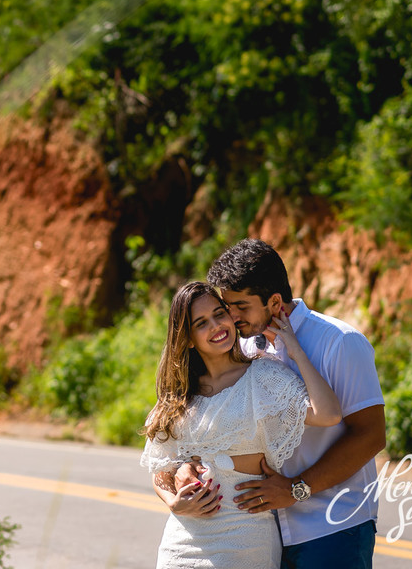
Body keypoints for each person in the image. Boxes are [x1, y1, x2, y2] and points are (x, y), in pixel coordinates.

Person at [186, 238, 387, 568]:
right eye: (227, 306)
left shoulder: (340, 342)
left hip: (333, 528)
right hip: (263, 532)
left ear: (274, 301)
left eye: (240, 306)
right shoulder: (245, 349)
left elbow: (370, 436)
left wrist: (296, 490)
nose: (231, 318)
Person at [141, 281, 342, 569]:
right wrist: (173, 502)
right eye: (201, 323)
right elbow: (161, 469)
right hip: (182, 543)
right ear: (187, 338)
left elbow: (328, 414)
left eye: (219, 314)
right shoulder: (179, 396)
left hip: (245, 540)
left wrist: (295, 350)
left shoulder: (262, 377)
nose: (216, 326)